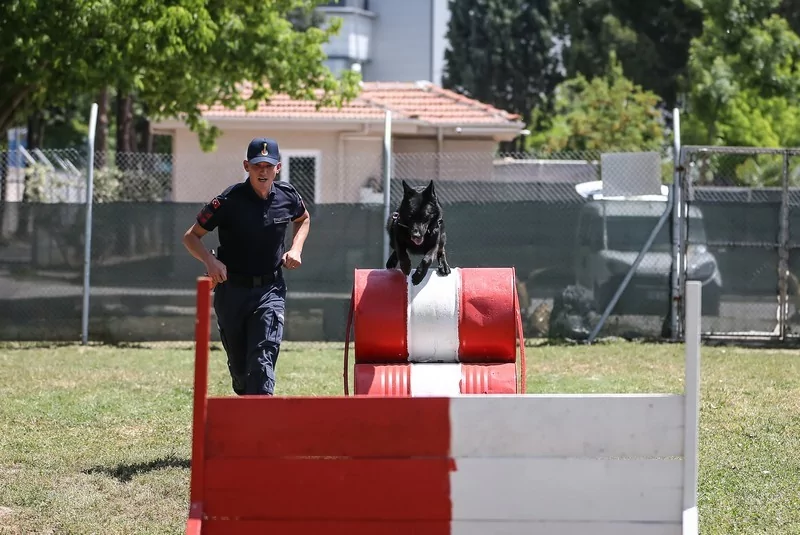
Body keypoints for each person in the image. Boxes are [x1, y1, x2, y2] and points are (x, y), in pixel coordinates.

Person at [182, 137, 310, 396]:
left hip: (270, 290)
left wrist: (296, 249)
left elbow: (304, 219)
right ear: (246, 166)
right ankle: (246, 393)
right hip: (233, 293)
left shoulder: (288, 196)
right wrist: (210, 260)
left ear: (278, 167)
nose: (263, 171)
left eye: (268, 165)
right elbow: (190, 236)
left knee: (263, 357)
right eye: (257, 165)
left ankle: (260, 420)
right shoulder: (228, 201)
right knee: (241, 370)